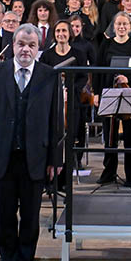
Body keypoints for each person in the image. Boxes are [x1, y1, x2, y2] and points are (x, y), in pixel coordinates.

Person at [0, 24, 63, 261]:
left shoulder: (50, 76)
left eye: (32, 45)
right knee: (4, 217)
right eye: (21, 44)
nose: (26, 49)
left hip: (35, 159)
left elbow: (56, 121)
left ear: (39, 48)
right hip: (3, 157)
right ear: (13, 46)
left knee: (30, 218)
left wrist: (55, 159)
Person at [96, 11, 131, 186]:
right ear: (114, 26)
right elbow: (98, 69)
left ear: (130, 27)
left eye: (125, 24)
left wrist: (128, 79)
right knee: (110, 137)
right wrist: (96, 93)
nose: (122, 27)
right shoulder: (106, 44)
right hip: (109, 93)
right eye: (119, 24)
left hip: (129, 93)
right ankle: (109, 172)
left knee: (130, 136)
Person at [41, 19, 90, 182]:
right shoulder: (47, 55)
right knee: (53, 138)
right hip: (53, 103)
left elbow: (83, 78)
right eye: (58, 31)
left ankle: (65, 181)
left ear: (70, 34)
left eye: (64, 31)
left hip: (73, 102)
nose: (61, 34)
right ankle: (51, 180)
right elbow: (43, 78)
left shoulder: (79, 54)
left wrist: (71, 89)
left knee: (70, 138)